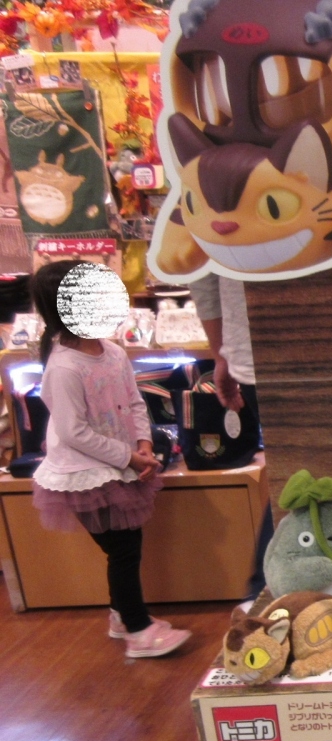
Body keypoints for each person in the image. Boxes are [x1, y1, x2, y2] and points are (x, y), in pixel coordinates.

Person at [29, 260, 190, 657]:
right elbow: (73, 432)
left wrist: (144, 443)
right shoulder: (64, 367)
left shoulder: (113, 352)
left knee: (126, 547)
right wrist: (128, 457)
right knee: (123, 551)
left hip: (119, 464)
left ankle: (123, 616)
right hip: (86, 474)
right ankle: (137, 629)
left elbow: (134, 401)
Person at [191, 275, 270, 599]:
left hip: (255, 344)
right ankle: (265, 593)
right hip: (258, 348)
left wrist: (221, 353)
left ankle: (263, 596)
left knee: (296, 474)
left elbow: (202, 273)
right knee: (301, 474)